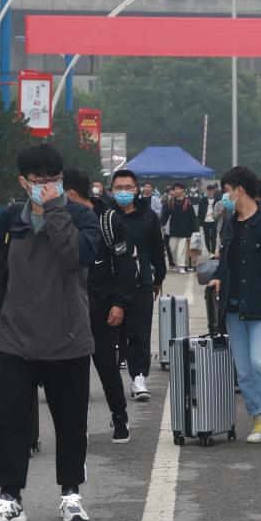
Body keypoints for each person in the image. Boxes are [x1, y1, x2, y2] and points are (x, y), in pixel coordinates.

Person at [0, 143, 101, 521]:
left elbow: (76, 256)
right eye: (39, 180)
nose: (47, 186)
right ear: (23, 182)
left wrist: (55, 209)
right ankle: (10, 497)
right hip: (18, 338)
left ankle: (70, 492)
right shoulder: (11, 219)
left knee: (70, 421)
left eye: (54, 179)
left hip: (68, 338)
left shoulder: (81, 216)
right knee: (10, 421)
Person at [210, 166, 261, 446]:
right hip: (234, 307)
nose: (224, 196)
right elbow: (225, 259)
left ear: (239, 190)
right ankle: (258, 420)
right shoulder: (229, 222)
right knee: (244, 370)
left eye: (226, 191)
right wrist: (218, 278)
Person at [64, 169, 137, 443]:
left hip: (102, 309)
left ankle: (119, 416)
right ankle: (74, 425)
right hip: (70, 311)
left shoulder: (109, 220)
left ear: (71, 194)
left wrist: (119, 303)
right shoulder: (61, 221)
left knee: (106, 366)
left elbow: (126, 266)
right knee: (72, 370)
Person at [111, 169, 166, 403]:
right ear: (112, 190)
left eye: (128, 188)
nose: (123, 192)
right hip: (110, 285)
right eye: (118, 188)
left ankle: (139, 377)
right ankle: (111, 382)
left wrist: (158, 277)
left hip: (141, 283)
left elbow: (157, 250)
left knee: (139, 333)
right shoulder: (106, 216)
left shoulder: (148, 217)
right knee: (111, 336)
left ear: (136, 189)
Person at [162, 183, 200, 273]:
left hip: (185, 231)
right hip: (173, 230)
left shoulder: (188, 203)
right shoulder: (170, 202)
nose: (176, 190)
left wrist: (194, 230)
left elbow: (192, 217)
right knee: (172, 249)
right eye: (175, 189)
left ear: (183, 190)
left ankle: (181, 266)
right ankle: (176, 264)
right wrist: (162, 224)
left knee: (182, 250)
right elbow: (165, 215)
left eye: (178, 189)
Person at [200, 184, 222, 257]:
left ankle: (213, 252)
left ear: (214, 191)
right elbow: (200, 211)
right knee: (206, 237)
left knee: (213, 237)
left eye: (212, 191)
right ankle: (209, 251)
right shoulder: (203, 200)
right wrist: (201, 222)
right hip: (205, 221)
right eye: (209, 191)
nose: (210, 192)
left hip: (214, 220)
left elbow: (219, 210)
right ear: (207, 191)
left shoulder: (217, 200)